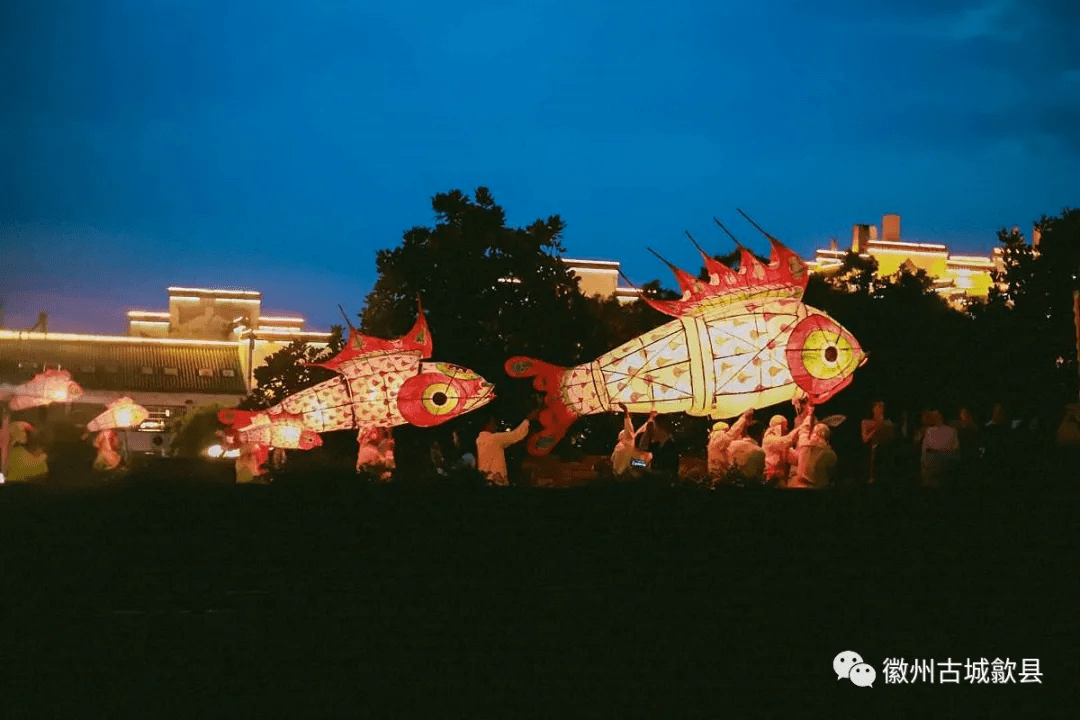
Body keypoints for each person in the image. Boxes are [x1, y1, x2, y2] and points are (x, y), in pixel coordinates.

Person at [476, 414, 532, 486]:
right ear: (488, 424)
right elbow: (516, 435)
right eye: (493, 423)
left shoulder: (479, 440)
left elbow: (508, 441)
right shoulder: (494, 439)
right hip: (496, 481)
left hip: (484, 480)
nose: (495, 425)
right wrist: (527, 420)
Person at [707, 408, 753, 483]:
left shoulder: (713, 441)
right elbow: (734, 431)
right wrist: (744, 417)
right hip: (720, 476)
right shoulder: (719, 439)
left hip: (715, 474)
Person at [790, 423, 837, 489]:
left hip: (799, 487)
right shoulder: (830, 454)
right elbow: (831, 474)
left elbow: (793, 460)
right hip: (820, 491)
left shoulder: (804, 447)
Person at [861, 400, 896, 485]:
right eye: (878, 407)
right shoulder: (866, 422)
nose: (880, 410)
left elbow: (891, 438)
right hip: (872, 453)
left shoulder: (888, 423)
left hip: (886, 451)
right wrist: (876, 428)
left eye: (882, 408)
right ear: (873, 409)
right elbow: (865, 439)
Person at [611, 405, 653, 476]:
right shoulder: (627, 444)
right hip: (631, 480)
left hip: (619, 478)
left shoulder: (622, 446)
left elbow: (634, 430)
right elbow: (630, 429)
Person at [921, 410, 959, 489]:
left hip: (946, 465)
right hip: (931, 465)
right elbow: (925, 449)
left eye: (937, 416)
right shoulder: (929, 431)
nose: (935, 418)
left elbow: (955, 448)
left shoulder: (951, 431)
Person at [762, 414, 800, 486]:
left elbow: (796, 459)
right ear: (778, 427)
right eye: (784, 427)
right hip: (769, 479)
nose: (786, 429)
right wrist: (802, 427)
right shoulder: (769, 439)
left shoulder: (783, 446)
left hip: (780, 480)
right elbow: (786, 441)